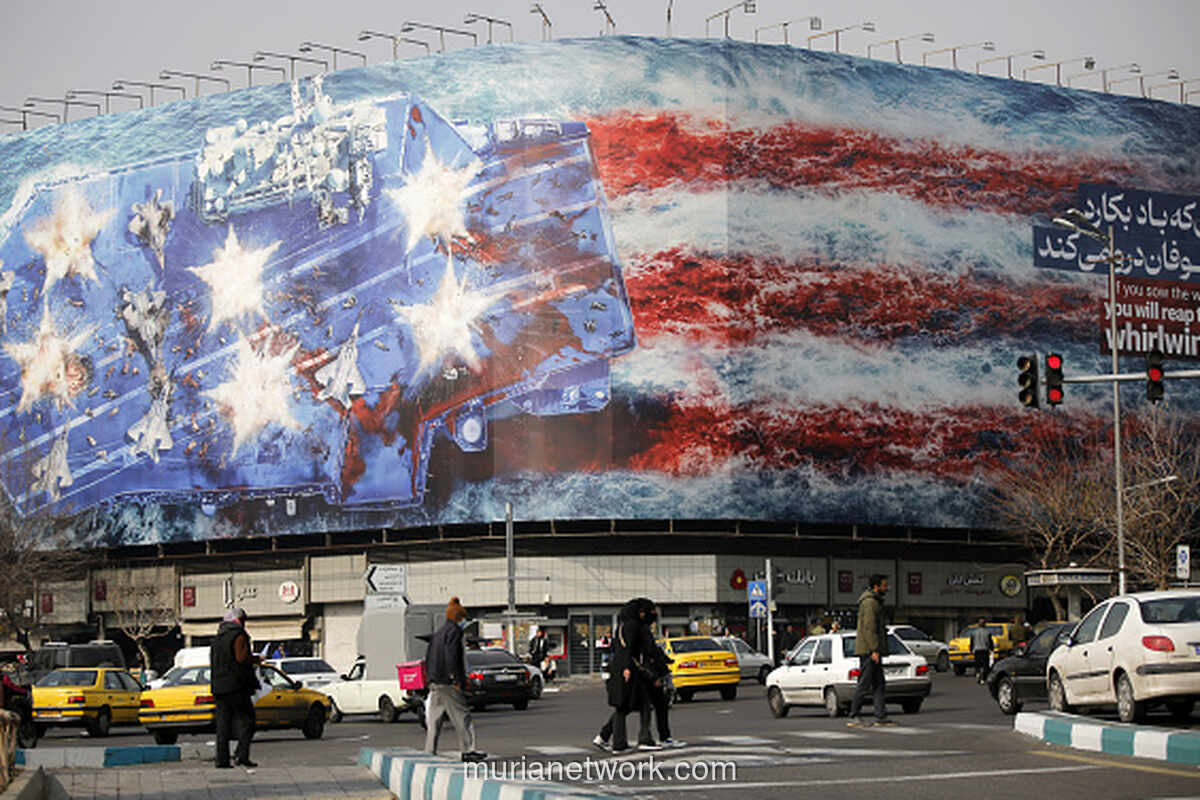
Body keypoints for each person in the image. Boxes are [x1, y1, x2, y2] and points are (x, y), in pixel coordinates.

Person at [425, 596, 485, 762]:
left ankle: (429, 752)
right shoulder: (455, 632)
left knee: (434, 719)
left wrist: (429, 679)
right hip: (448, 682)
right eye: (464, 618)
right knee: (462, 715)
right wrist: (457, 679)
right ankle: (468, 750)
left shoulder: (438, 633)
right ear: (458, 618)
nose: (464, 622)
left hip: (435, 682)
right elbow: (452, 657)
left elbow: (429, 657)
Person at [594, 598, 657, 753]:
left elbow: (619, 648)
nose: (644, 615)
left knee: (625, 705)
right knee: (638, 704)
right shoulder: (633, 626)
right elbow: (629, 648)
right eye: (643, 612)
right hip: (629, 669)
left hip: (619, 667)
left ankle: (608, 738)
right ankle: (640, 739)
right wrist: (628, 668)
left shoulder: (621, 626)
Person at [210, 607, 261, 769]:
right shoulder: (238, 635)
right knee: (248, 720)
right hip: (236, 685)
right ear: (238, 620)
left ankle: (222, 760)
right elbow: (241, 657)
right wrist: (256, 659)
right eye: (244, 620)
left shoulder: (218, 637)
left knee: (223, 725)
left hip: (218, 686)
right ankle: (242, 755)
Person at [847, 575, 893, 727]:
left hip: (874, 650)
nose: (887, 588)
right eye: (885, 585)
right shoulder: (869, 603)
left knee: (879, 684)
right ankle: (854, 715)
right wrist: (874, 649)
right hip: (868, 651)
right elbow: (869, 628)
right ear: (876, 586)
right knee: (864, 684)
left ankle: (881, 716)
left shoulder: (875, 602)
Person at [970, 618, 993, 684]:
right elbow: (990, 642)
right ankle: (983, 678)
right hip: (985, 650)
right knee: (985, 665)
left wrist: (971, 649)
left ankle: (978, 673)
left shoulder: (974, 632)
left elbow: (972, 642)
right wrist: (991, 649)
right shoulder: (987, 632)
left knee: (977, 664)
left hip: (977, 650)